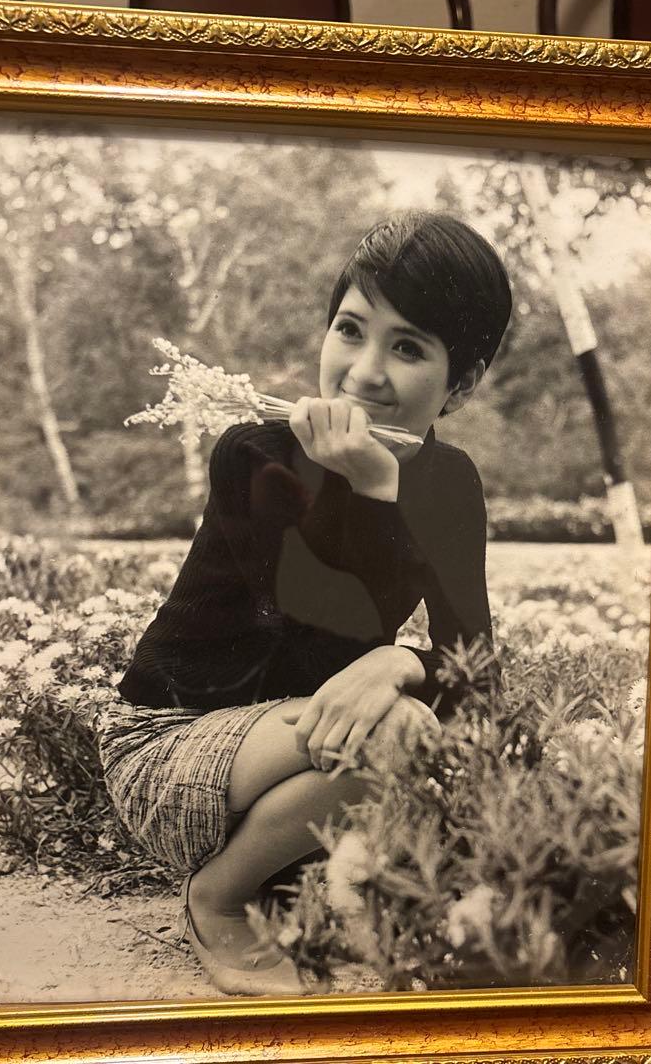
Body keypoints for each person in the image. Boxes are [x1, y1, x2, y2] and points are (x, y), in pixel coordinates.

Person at [100, 211, 513, 995]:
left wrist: (404, 661)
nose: (363, 373)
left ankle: (286, 875)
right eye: (350, 330)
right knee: (399, 734)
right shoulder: (256, 454)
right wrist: (372, 490)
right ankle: (219, 897)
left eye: (408, 348)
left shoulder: (452, 483)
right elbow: (320, 637)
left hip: (305, 761)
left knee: (417, 738)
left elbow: (475, 671)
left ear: (462, 383)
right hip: (171, 752)